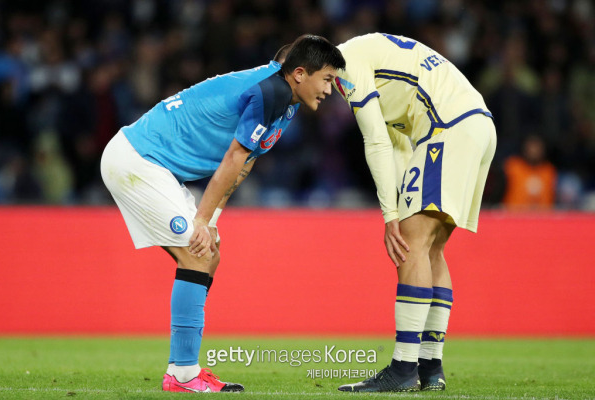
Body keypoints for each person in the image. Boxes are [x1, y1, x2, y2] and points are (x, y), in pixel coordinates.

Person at [100, 35, 345, 393]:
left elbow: (243, 165)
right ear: (299, 73)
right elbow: (232, 157)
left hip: (155, 166)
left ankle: (183, 368)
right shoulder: (270, 93)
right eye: (326, 79)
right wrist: (200, 220)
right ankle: (183, 374)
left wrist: (210, 221)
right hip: (137, 160)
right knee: (197, 254)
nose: (330, 89)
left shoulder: (285, 102)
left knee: (208, 256)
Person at [333, 33, 496, 392]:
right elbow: (400, 145)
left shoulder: (344, 67)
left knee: (410, 243)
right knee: (431, 248)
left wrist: (391, 215)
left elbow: (375, 140)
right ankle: (430, 366)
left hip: (447, 127)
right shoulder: (373, 59)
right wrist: (402, 203)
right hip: (477, 124)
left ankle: (403, 367)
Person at [503, 135, 556, 209]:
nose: (534, 151)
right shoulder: (513, 166)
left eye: (537, 147)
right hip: (513, 215)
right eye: (531, 147)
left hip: (543, 216)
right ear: (525, 148)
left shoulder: (549, 170)